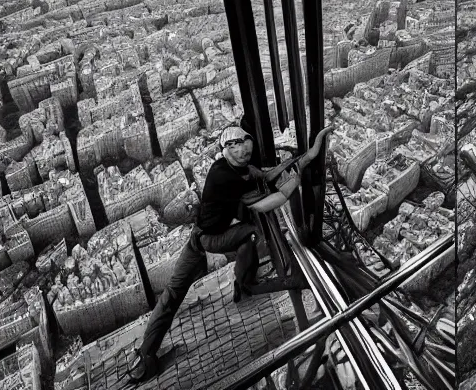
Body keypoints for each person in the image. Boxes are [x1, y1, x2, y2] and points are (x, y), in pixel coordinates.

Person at [126, 123, 332, 382]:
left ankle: (146, 355)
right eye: (237, 146)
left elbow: (266, 175)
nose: (243, 150)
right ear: (227, 150)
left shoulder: (235, 169)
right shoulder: (226, 178)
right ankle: (246, 282)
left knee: (173, 293)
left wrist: (308, 156)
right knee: (249, 232)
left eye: (244, 144)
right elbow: (270, 200)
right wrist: (294, 181)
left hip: (198, 238)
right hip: (208, 240)